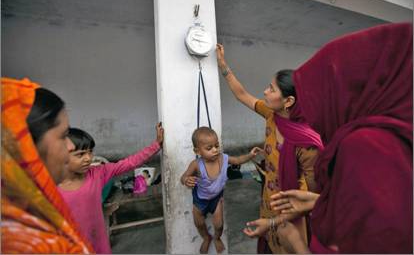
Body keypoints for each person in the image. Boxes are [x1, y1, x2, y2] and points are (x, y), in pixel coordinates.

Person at [270, 22, 413, 253]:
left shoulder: (364, 146)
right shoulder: (392, 138)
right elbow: (377, 219)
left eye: (317, 97)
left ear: (342, 92)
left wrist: (296, 244)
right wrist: (320, 202)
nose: (312, 115)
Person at [216, 44, 323, 253]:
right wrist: (223, 65)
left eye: (272, 89)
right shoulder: (271, 114)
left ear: (288, 101)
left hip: (291, 213)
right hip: (268, 202)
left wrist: (275, 222)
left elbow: (312, 199)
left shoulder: (308, 144)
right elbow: (242, 95)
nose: (265, 91)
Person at [1, 77, 93, 253]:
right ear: (25, 147)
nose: (70, 146)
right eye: (62, 135)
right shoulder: (34, 246)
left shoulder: (27, 214)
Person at [58, 125, 163, 253]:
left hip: (98, 243)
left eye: (90, 152)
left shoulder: (98, 173)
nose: (88, 158)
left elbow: (129, 163)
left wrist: (156, 145)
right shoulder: (49, 186)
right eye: (80, 154)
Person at [180, 126, 263, 254]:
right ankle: (206, 237)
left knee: (219, 225)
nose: (215, 150)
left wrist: (250, 155)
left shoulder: (223, 158)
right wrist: (186, 180)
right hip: (200, 200)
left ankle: (217, 238)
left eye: (217, 146)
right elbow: (183, 177)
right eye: (209, 148)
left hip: (216, 198)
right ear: (197, 151)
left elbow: (238, 160)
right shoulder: (196, 164)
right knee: (199, 223)